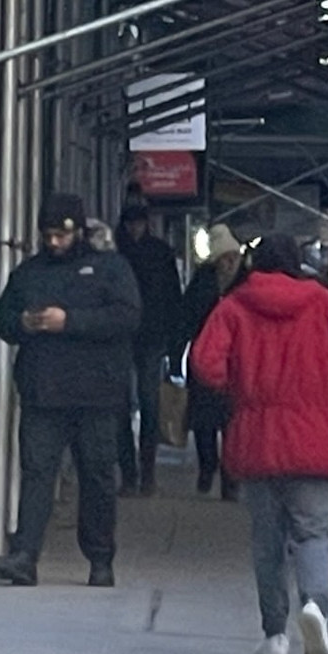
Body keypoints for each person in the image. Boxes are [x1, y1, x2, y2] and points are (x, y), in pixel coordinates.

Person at [191, 233, 328, 654]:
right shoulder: (325, 303)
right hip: (314, 437)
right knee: (313, 533)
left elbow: (205, 362)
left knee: (267, 541)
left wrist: (235, 386)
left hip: (256, 437)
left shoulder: (235, 306)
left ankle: (274, 635)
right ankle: (315, 605)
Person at [0, 192, 142, 589]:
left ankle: (100, 558)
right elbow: (2, 317)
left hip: (97, 393)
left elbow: (126, 316)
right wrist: (24, 321)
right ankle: (25, 555)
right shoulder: (30, 273)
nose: (54, 243)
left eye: (61, 235)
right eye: (48, 235)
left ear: (77, 231)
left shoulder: (109, 268)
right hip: (44, 391)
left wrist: (69, 322)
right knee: (37, 472)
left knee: (97, 476)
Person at [115, 201, 184, 497]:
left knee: (130, 404)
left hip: (129, 337)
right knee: (145, 403)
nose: (135, 228)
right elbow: (173, 296)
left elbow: (172, 298)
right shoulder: (160, 252)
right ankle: (143, 475)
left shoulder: (116, 254)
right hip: (146, 337)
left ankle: (136, 475)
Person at [180, 223, 246, 497]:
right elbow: (187, 315)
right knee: (204, 422)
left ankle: (230, 479)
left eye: (232, 258)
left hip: (235, 361)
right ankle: (208, 466)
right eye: (224, 259)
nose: (229, 263)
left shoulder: (245, 282)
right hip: (205, 357)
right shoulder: (203, 281)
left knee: (232, 423)